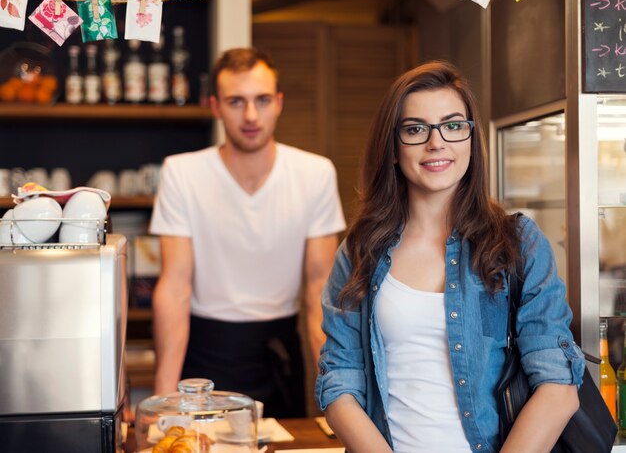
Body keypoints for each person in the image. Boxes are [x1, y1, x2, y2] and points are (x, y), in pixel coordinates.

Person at [315, 60, 585, 452]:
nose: (436, 142)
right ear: (392, 148)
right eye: (415, 129)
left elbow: (558, 388)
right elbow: (340, 381)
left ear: (471, 140)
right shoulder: (359, 251)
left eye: (453, 125)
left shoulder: (518, 243)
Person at [150, 47, 346, 418]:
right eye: (236, 101)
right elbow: (175, 286)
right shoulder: (182, 172)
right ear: (215, 107)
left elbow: (320, 287)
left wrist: (339, 394)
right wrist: (163, 400)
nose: (251, 115)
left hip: (279, 351)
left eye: (262, 100)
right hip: (203, 351)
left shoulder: (315, 173)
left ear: (279, 103)